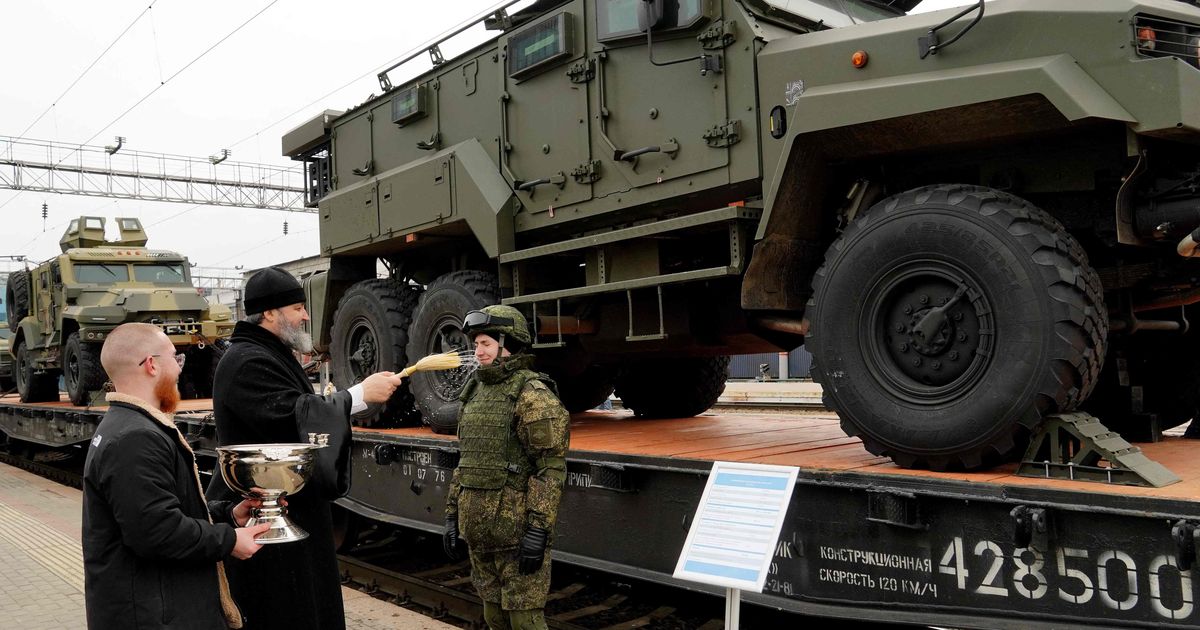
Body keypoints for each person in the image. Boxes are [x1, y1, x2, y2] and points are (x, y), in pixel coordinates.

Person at [205, 266, 404, 630]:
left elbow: (295, 406)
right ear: (269, 312)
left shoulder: (266, 352)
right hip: (265, 512)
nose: (306, 315)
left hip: (289, 510)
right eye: (298, 307)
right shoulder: (247, 360)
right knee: (285, 610)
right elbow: (289, 414)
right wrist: (358, 395)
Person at [83, 323, 271, 630]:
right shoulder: (134, 437)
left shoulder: (127, 426)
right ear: (151, 365)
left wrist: (228, 516)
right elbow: (156, 532)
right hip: (153, 617)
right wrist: (229, 540)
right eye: (175, 358)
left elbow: (162, 511)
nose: (179, 369)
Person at [443, 305, 570, 630]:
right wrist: (452, 515)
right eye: (476, 344)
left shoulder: (532, 395)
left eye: (485, 343)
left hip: (516, 533)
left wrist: (538, 528)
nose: (477, 351)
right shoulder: (475, 391)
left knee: (524, 620)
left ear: (507, 343)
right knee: (493, 616)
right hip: (480, 531)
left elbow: (549, 469)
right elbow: (466, 460)